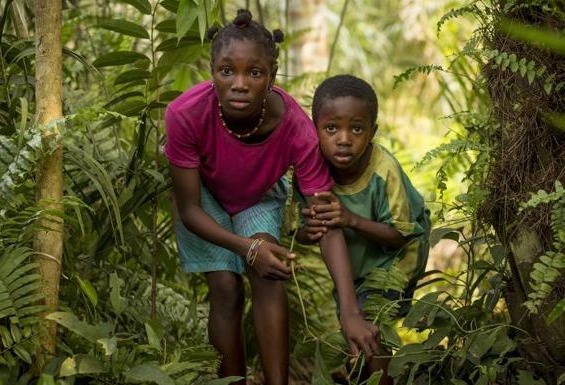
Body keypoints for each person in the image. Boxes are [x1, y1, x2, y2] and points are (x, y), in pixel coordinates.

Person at [164, 10, 378, 385]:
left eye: (255, 73)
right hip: (204, 197)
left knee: (271, 271)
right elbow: (189, 209)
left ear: (272, 76)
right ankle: (232, 381)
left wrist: (349, 311)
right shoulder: (184, 114)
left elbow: (326, 219)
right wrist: (245, 249)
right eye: (227, 71)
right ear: (212, 71)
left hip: (258, 195)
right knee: (226, 288)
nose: (240, 84)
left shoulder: (297, 128)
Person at [296, 74, 431, 384]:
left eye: (356, 129)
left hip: (397, 258)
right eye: (331, 129)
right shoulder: (310, 167)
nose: (344, 139)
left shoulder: (384, 170)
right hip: (354, 266)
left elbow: (401, 234)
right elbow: (300, 232)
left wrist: (350, 219)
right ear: (315, 128)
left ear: (372, 132)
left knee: (369, 319)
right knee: (352, 324)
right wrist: (310, 229)